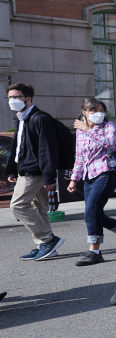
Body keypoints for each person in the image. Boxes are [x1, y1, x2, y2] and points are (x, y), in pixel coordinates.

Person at [65, 98, 116, 265]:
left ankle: (95, 251)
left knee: (91, 212)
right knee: (95, 214)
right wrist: (74, 179)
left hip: (106, 173)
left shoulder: (109, 127)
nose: (99, 115)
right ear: (84, 113)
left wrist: (88, 130)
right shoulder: (80, 131)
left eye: (102, 111)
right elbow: (79, 157)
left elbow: (109, 144)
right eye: (94, 112)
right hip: (89, 177)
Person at [5, 83, 65, 261]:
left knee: (18, 205)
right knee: (39, 208)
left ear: (28, 98)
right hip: (26, 168)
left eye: (16, 97)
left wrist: (49, 175)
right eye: (9, 98)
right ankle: (43, 245)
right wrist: (13, 170)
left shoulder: (40, 119)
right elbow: (18, 148)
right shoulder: (22, 118)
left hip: (35, 171)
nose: (12, 101)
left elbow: (48, 149)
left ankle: (48, 239)